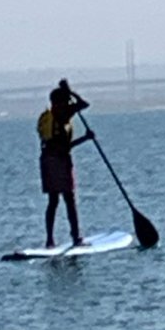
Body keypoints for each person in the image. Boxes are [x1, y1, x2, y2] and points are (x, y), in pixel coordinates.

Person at [36, 79, 94, 247]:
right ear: (60, 102)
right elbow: (84, 104)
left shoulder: (53, 114)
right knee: (69, 198)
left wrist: (68, 93)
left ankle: (50, 240)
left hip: (47, 160)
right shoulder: (63, 114)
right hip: (59, 161)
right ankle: (75, 238)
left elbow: (81, 105)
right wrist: (86, 138)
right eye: (65, 101)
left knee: (53, 201)